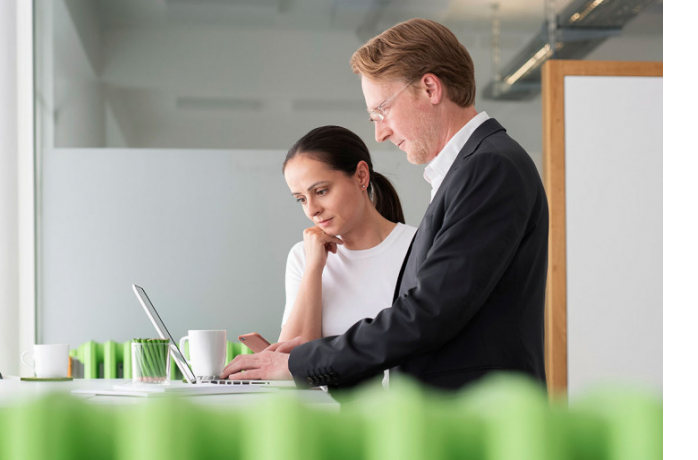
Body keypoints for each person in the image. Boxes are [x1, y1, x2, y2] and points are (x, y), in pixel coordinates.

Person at [222, 18, 549, 391]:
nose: (380, 132)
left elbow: (431, 312)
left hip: (477, 421)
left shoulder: (488, 166)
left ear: (429, 88)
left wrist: (304, 361)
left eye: (382, 111)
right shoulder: (469, 169)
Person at [277, 127, 417, 384]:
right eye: (301, 199)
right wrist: (314, 269)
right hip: (327, 418)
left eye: (321, 191)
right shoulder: (303, 257)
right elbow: (290, 363)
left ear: (361, 176)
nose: (313, 210)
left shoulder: (418, 247)